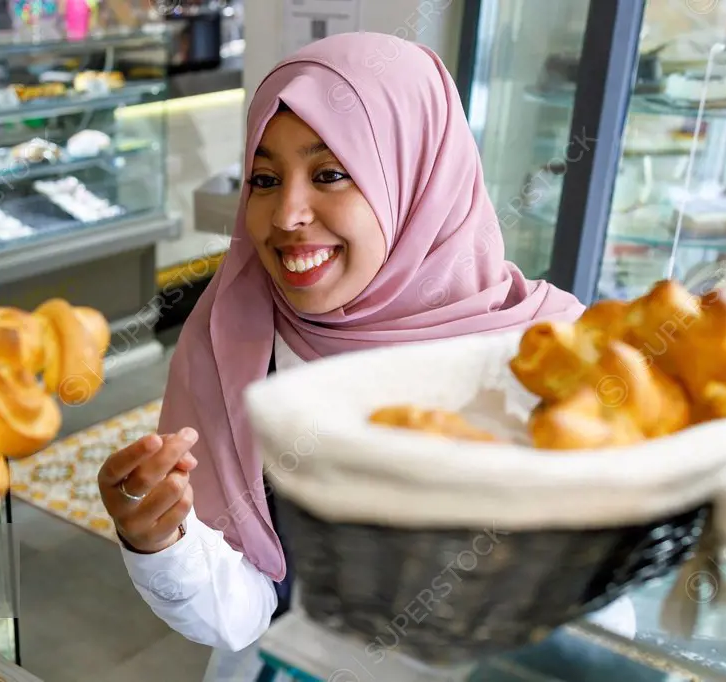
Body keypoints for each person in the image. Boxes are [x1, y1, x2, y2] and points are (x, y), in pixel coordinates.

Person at [98, 32, 633, 681]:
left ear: (418, 178)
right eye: (264, 179)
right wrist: (161, 540)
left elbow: (603, 631)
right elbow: (244, 614)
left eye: (329, 174)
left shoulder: (549, 359)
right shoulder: (238, 337)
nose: (286, 213)